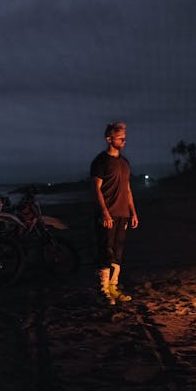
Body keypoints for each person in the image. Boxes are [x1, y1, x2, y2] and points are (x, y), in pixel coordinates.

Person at [90, 121, 139, 305]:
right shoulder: (100, 162)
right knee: (105, 251)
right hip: (107, 215)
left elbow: (127, 190)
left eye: (124, 138)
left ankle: (113, 288)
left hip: (123, 214)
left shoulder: (125, 163)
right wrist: (105, 213)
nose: (124, 140)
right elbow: (96, 190)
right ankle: (104, 291)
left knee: (118, 253)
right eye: (120, 138)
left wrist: (133, 213)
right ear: (109, 139)